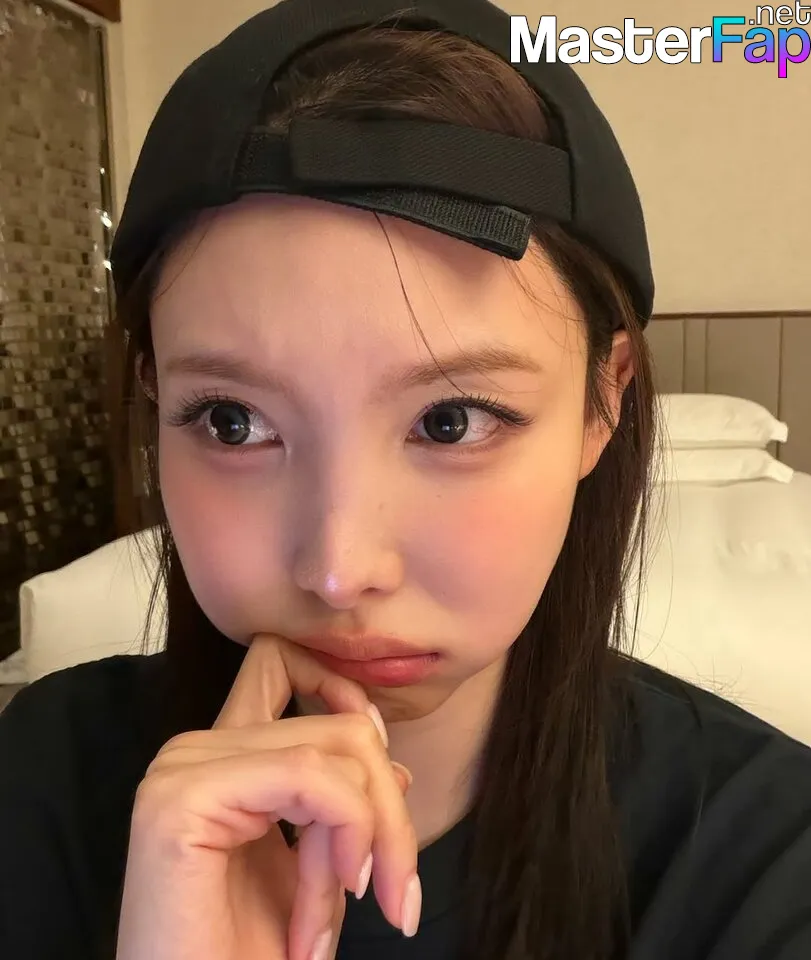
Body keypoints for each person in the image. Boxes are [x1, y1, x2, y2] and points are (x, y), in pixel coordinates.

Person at [1, 1, 810, 958]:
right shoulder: (36, 782)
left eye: (449, 421)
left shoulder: (766, 861)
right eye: (232, 421)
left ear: (604, 400)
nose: (339, 570)